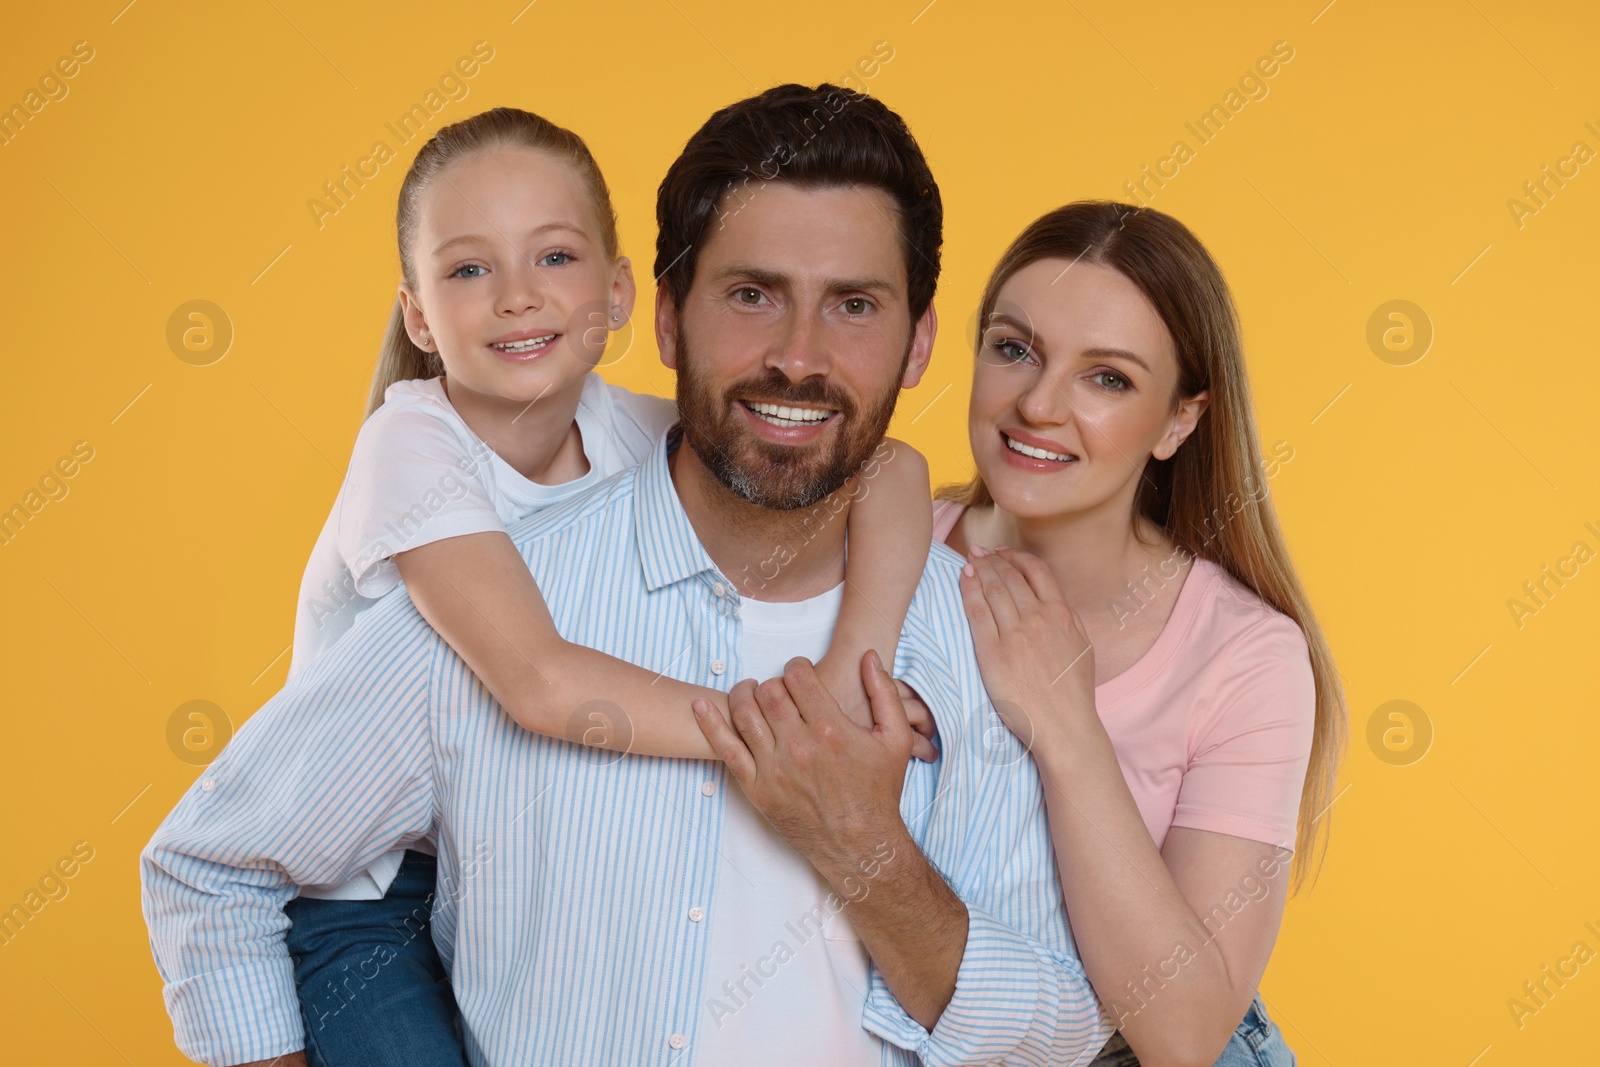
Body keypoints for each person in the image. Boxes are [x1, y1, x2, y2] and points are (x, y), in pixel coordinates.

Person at [140, 84, 1114, 1067]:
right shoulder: (471, 595)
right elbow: (212, 863)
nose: (797, 356)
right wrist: (779, 738)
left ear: (917, 345)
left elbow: (1066, 1030)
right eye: (751, 294)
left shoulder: (981, 643)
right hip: (377, 906)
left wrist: (869, 848)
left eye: (853, 305)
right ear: (665, 321)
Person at [277, 105, 937, 1067]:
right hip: (368, 898)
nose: (516, 298)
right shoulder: (410, 447)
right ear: (418, 313)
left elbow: (894, 468)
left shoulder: (629, 430)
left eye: (553, 258)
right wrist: (793, 740)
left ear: (624, 292)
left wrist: (850, 664)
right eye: (468, 270)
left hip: (492, 875)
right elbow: (539, 681)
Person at [940, 202, 1347, 1065]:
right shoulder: (883, 548)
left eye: (1108, 378)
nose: (1039, 404)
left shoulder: (1248, 657)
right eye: (1014, 349)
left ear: (1178, 422)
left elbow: (1185, 1034)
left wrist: (1066, 722)